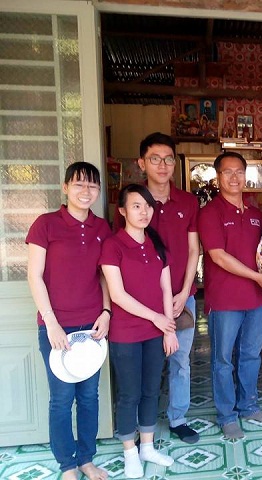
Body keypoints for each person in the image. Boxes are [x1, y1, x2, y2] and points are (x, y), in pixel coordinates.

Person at [114, 132, 200, 444]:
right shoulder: (132, 202)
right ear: (142, 163)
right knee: (142, 369)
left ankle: (178, 418)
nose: (162, 165)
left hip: (181, 298)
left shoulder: (188, 201)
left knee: (180, 361)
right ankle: (138, 426)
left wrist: (184, 291)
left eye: (168, 159)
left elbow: (194, 249)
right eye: (154, 159)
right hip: (140, 304)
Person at [26, 162, 111, 480]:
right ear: (65, 188)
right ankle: (67, 465)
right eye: (79, 184)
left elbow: (104, 275)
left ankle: (87, 459)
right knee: (62, 399)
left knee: (89, 397)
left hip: (92, 328)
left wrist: (106, 312)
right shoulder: (46, 224)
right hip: (56, 327)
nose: (86, 191)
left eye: (92, 185)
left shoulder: (102, 228)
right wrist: (51, 322)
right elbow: (34, 276)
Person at [198, 151, 262, 440]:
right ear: (217, 177)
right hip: (225, 300)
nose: (234, 177)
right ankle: (227, 415)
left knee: (251, 355)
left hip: (254, 300)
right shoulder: (210, 213)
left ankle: (249, 406)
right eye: (227, 172)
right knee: (222, 360)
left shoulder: (255, 214)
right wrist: (257, 277)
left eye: (239, 172)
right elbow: (218, 256)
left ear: (246, 175)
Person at [100, 184, 178, 478]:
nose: (144, 212)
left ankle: (147, 446)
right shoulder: (113, 245)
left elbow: (166, 288)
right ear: (122, 211)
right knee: (129, 393)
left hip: (156, 332)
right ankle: (129, 452)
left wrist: (168, 329)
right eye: (136, 206)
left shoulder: (156, 243)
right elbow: (117, 295)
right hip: (126, 333)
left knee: (150, 390)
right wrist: (156, 318)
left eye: (147, 206)